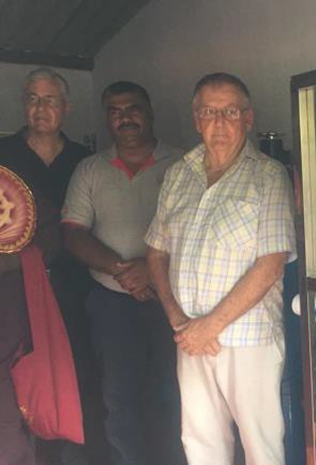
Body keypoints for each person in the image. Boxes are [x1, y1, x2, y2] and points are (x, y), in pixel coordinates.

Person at [145, 72, 296, 465]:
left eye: (230, 111)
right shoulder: (178, 174)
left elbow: (271, 265)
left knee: (261, 447)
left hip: (247, 339)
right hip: (189, 336)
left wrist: (208, 326)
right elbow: (156, 253)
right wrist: (178, 320)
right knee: (200, 442)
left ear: (248, 118)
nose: (219, 122)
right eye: (209, 112)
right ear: (197, 119)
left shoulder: (268, 175)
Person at [62, 81, 186, 465]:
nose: (124, 117)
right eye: (115, 111)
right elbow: (73, 233)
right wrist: (121, 271)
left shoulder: (185, 164)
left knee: (176, 393)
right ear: (107, 119)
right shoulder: (89, 169)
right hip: (112, 303)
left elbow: (199, 234)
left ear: (149, 112)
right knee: (118, 398)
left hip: (173, 301)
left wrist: (152, 271)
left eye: (132, 108)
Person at [0, 67, 96, 465]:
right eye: (33, 99)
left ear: (66, 107)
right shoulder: (3, 154)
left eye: (50, 100)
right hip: (12, 288)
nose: (41, 108)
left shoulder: (85, 161)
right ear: (23, 104)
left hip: (75, 286)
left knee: (76, 371)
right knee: (16, 377)